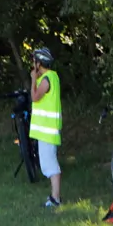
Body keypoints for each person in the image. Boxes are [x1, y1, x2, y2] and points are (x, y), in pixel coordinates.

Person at [28, 47, 63, 208]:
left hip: (47, 130)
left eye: (34, 61)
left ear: (39, 63)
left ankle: (55, 198)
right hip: (47, 129)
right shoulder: (52, 77)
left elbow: (35, 97)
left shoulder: (46, 79)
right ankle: (54, 196)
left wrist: (33, 80)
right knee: (48, 162)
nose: (33, 64)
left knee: (50, 163)